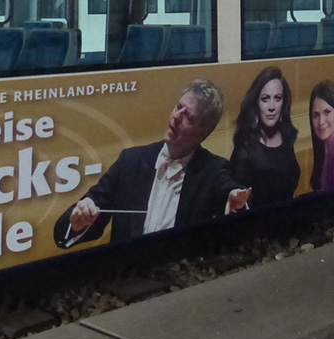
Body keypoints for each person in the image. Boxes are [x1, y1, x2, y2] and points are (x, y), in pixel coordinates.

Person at [55, 80, 249, 247]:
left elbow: (229, 190)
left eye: (188, 117)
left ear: (203, 132)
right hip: (126, 279)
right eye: (177, 107)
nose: (176, 117)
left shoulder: (213, 170)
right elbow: (72, 223)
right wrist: (77, 223)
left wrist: (236, 201)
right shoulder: (130, 162)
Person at [230, 66, 301, 209]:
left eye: (277, 98)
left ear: (284, 102)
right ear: (256, 102)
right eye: (265, 99)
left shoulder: (287, 139)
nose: (272, 106)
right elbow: (237, 210)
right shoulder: (244, 150)